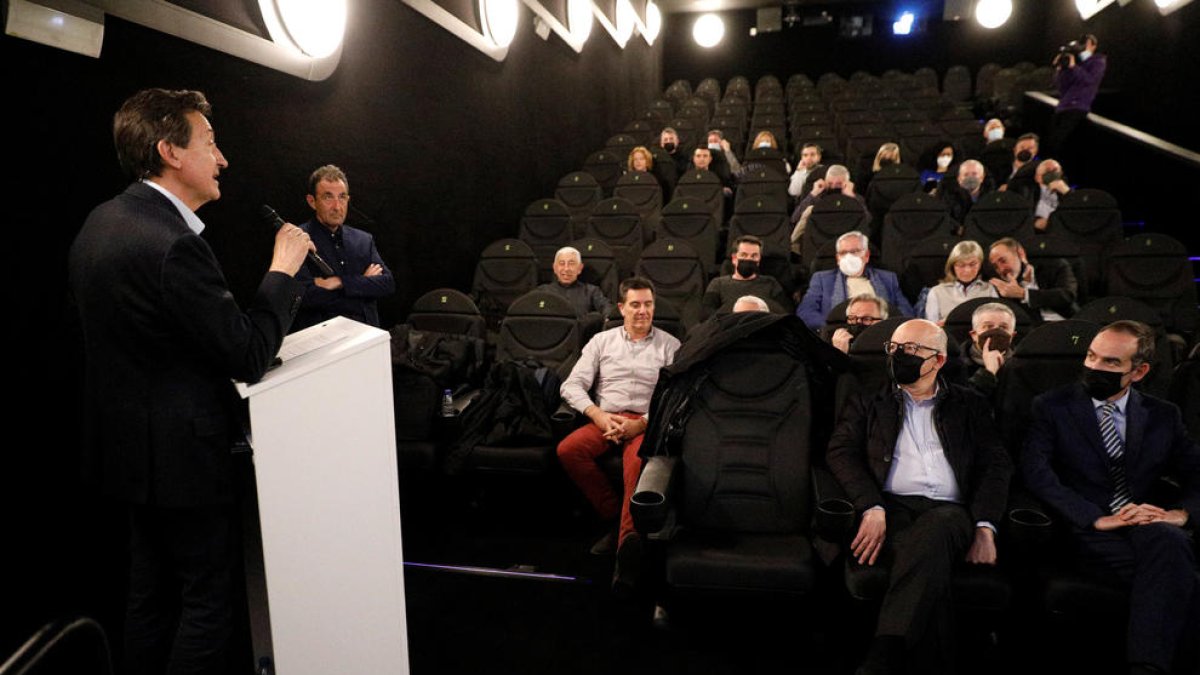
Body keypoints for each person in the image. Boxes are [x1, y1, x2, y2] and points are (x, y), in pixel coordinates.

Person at [68, 88, 313, 675]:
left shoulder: (101, 222)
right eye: (209, 142)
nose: (222, 158)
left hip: (127, 456)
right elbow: (248, 353)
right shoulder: (175, 244)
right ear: (170, 153)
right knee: (205, 607)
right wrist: (281, 272)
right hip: (184, 461)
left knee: (148, 598)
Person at [828, 319, 1012, 675]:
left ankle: (886, 651)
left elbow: (996, 465)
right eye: (894, 348)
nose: (900, 356)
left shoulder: (969, 404)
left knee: (938, 528)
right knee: (929, 561)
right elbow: (840, 452)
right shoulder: (869, 400)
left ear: (939, 360)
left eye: (911, 350)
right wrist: (871, 505)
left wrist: (986, 526)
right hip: (891, 509)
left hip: (951, 512)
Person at [1023, 320, 1200, 675]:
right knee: (1182, 576)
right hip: (1085, 527)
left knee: (1169, 538)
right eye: (1092, 357)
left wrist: (1182, 513)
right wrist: (1095, 517)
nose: (1095, 368)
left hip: (1141, 521)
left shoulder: (1163, 415)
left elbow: (1197, 471)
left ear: (1139, 371)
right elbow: (1037, 473)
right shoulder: (1051, 407)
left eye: (1111, 363)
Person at [558, 277, 681, 588]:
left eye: (648, 304)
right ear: (621, 308)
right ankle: (615, 518)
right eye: (636, 305)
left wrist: (642, 423)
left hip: (645, 422)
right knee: (568, 450)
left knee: (637, 466)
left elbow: (676, 397)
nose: (643, 311)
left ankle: (628, 547)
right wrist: (598, 415)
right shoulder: (602, 341)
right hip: (607, 419)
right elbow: (571, 385)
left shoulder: (670, 345)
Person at [293, 165, 395, 331]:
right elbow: (305, 297)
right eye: (328, 197)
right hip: (323, 340)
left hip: (367, 337)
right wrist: (363, 286)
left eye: (342, 197)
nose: (337, 206)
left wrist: (339, 282)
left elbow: (387, 284)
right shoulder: (298, 239)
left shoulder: (364, 239)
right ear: (312, 202)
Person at [797, 231, 913, 330]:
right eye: (843, 253)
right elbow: (806, 312)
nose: (848, 257)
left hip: (880, 333)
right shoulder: (822, 279)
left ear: (866, 255)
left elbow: (906, 311)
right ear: (838, 258)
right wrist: (832, 327)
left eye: (854, 252)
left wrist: (887, 326)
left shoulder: (888, 278)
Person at [701, 235, 792, 318]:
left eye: (754, 256)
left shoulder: (771, 283)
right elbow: (706, 314)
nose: (749, 259)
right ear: (734, 258)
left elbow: (785, 313)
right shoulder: (718, 284)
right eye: (744, 255)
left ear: (759, 260)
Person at [988, 237, 1078, 321]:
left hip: (1068, 322)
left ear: (1020, 253)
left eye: (1003, 261)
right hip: (1035, 332)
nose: (1001, 269)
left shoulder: (1055, 266)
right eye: (995, 266)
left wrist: (1024, 294)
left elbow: (1067, 296)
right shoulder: (1003, 288)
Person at [789, 164, 871, 255]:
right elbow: (794, 218)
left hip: (848, 239)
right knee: (809, 210)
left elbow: (867, 220)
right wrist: (813, 194)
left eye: (838, 184)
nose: (833, 187)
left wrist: (851, 197)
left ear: (847, 183)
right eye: (830, 184)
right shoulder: (818, 197)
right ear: (825, 181)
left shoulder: (855, 199)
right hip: (818, 240)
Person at [1048, 33, 1106, 157]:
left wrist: (1074, 67)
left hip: (1078, 107)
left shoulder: (1098, 61)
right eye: (1084, 43)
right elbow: (1061, 86)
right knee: (1051, 140)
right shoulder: (1074, 60)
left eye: (1089, 43)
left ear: (1094, 46)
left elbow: (1090, 81)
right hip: (1063, 106)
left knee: (1060, 143)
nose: (1085, 46)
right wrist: (1060, 69)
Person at [922, 240, 997, 323]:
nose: (967, 270)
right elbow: (932, 327)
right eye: (961, 265)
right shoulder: (937, 292)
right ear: (952, 266)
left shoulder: (989, 290)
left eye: (973, 264)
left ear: (980, 265)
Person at [535, 246, 612, 319]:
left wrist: (607, 318)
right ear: (554, 268)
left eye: (571, 263)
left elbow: (607, 308)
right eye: (562, 263)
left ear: (580, 268)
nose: (566, 268)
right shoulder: (543, 291)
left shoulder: (591, 291)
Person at [961, 302, 1017, 398]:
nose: (996, 332)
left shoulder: (1021, 366)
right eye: (988, 326)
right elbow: (963, 405)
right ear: (974, 335)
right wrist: (988, 373)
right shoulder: (954, 365)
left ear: (1012, 336)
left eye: (1003, 327)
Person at [935, 159, 991, 225]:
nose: (970, 178)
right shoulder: (947, 198)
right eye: (966, 174)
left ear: (982, 177)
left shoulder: (990, 197)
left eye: (974, 174)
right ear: (959, 179)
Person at [1032, 159, 1071, 231]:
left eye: (1055, 170)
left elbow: (1079, 212)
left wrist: (1067, 192)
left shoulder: (1065, 192)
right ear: (1037, 178)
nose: (1052, 175)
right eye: (1047, 171)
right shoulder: (1029, 192)